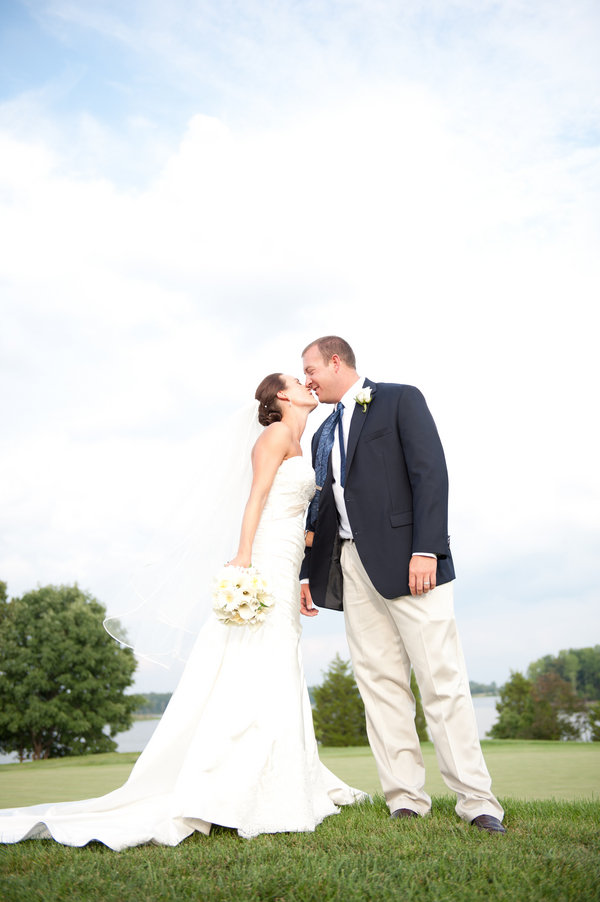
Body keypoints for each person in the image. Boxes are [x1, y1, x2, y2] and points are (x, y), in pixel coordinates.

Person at [0, 373, 366, 850]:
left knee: (279, 660)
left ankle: (279, 774)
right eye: (299, 381)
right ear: (282, 396)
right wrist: (242, 560)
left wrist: (305, 567)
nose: (307, 386)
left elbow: (295, 515)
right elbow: (254, 500)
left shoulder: (302, 440)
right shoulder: (275, 436)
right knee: (257, 657)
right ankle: (231, 781)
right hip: (265, 557)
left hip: (286, 557)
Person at [299, 336, 505, 834]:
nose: (306, 378)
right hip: (351, 565)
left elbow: (430, 473)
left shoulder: (398, 398)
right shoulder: (322, 431)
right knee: (379, 686)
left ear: (335, 361)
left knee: (441, 680)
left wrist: (426, 548)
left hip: (413, 564)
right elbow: (320, 505)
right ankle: (405, 800)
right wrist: (307, 570)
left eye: (310, 368)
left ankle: (477, 802)